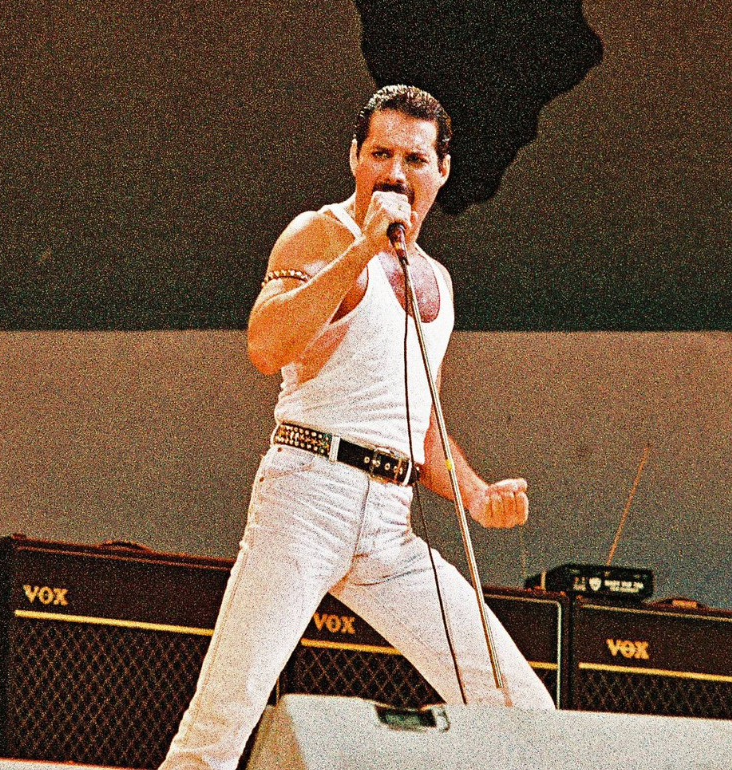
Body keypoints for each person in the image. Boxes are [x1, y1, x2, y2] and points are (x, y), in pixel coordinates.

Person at [160, 85, 554, 770]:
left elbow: (418, 422)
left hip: (389, 524)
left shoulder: (437, 280)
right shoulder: (319, 232)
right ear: (354, 157)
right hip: (307, 496)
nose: (394, 172)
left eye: (413, 157)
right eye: (380, 153)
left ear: (442, 171)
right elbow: (265, 345)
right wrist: (361, 251)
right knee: (224, 720)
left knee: (521, 707)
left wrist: (477, 493)